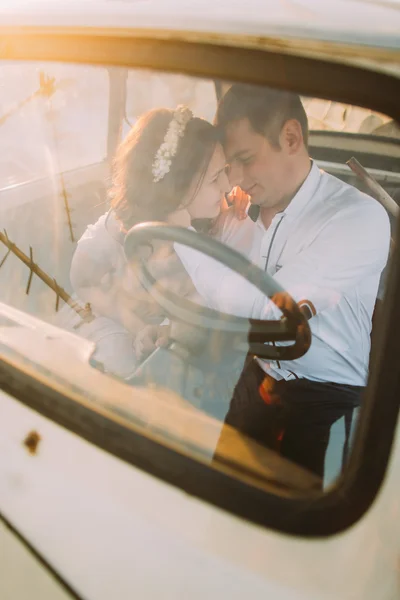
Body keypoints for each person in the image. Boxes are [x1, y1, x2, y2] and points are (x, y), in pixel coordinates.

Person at [173, 84, 391, 481]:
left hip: (326, 393)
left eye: (246, 159)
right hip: (259, 371)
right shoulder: (253, 209)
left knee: (298, 524)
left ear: (291, 138)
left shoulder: (359, 217)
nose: (235, 178)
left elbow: (269, 305)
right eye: (230, 164)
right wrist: (225, 233)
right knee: (221, 490)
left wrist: (178, 233)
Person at [66, 106, 231, 377]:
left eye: (225, 171)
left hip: (167, 334)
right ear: (177, 187)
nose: (227, 186)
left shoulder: (216, 228)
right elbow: (82, 280)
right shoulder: (115, 231)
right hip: (105, 320)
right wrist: (134, 324)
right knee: (119, 371)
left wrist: (164, 329)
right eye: (215, 178)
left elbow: (201, 301)